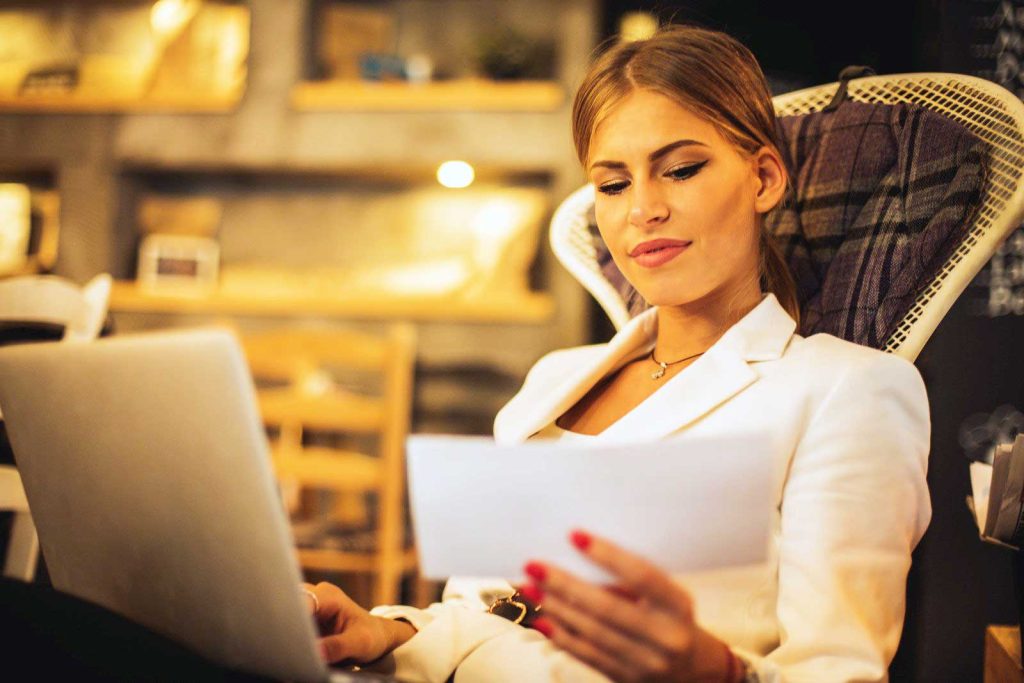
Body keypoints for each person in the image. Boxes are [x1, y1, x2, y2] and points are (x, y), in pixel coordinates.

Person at [301, 24, 931, 683]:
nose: (643, 210)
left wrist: (710, 669)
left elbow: (838, 673)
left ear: (764, 177)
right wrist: (387, 630)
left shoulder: (846, 391)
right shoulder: (555, 379)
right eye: (612, 184)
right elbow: (486, 607)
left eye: (682, 170)